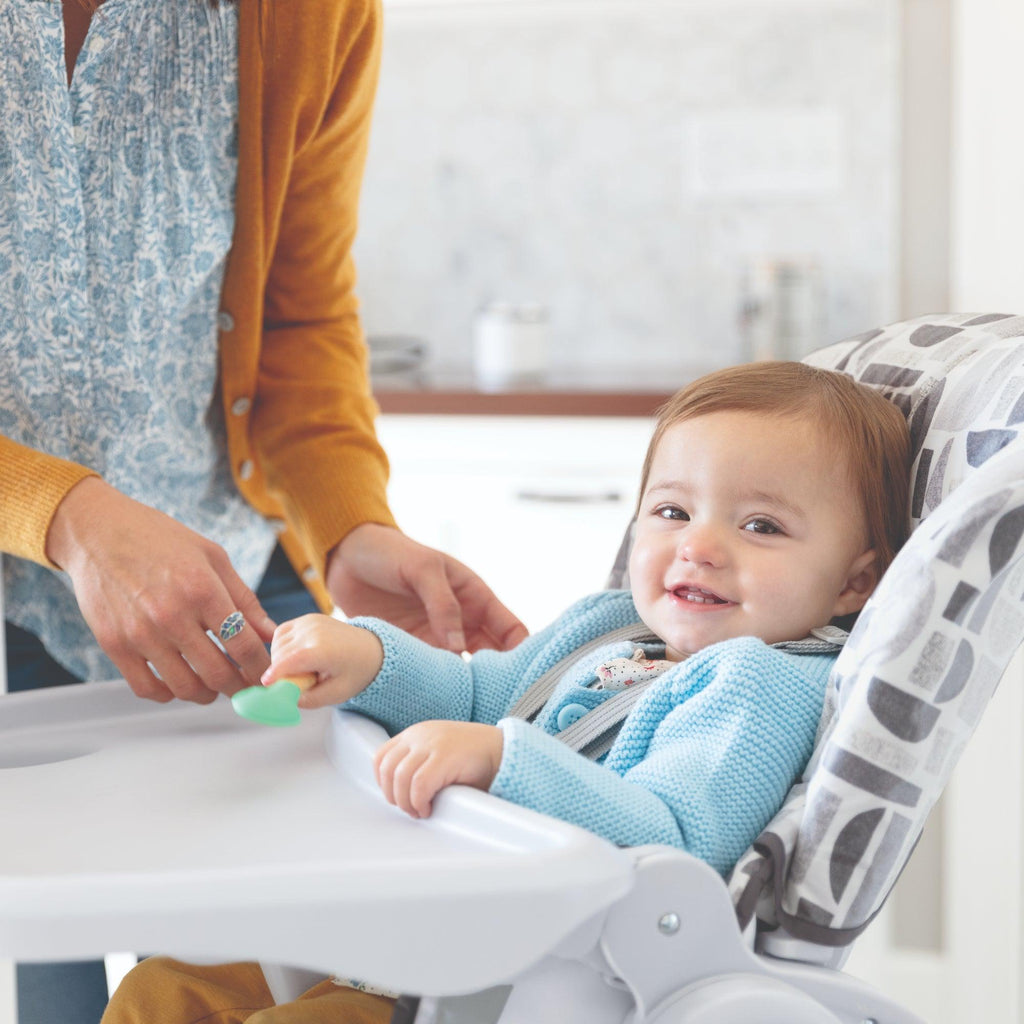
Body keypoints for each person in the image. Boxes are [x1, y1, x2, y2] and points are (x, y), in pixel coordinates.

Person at [100, 361, 912, 1024]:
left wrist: (500, 762)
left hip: (500, 980)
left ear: (854, 583)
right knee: (160, 990)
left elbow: (677, 841)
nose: (697, 546)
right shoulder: (609, 624)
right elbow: (480, 690)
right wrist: (371, 659)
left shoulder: (760, 685)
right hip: (400, 921)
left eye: (760, 526)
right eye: (670, 510)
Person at [0, 0, 525, 1021]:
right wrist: (65, 515)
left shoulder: (313, 14)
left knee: (252, 954)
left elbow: (299, 316)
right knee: (41, 960)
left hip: (216, 577)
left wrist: (351, 525)